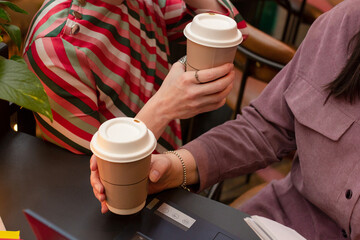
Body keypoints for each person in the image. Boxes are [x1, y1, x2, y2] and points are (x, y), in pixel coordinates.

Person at [91, 0, 360, 239]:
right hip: (270, 224)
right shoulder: (342, 25)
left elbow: (234, 24)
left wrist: (163, 107)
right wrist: (171, 168)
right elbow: (264, 128)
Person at [23, 0, 248, 155]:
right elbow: (95, 180)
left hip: (167, 166)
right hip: (116, 204)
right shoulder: (56, 48)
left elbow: (233, 32)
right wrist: (165, 107)